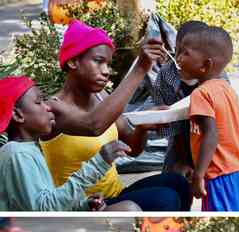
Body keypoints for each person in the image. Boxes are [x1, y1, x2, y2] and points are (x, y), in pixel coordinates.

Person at [41, 20, 192, 211]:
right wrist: (140, 69)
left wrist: (142, 127)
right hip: (84, 204)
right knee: (165, 199)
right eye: (98, 61)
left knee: (178, 183)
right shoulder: (53, 109)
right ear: (72, 61)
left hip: (115, 194)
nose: (106, 71)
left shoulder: (101, 97)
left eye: (108, 64)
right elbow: (93, 125)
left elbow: (133, 149)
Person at [0, 76, 139, 211]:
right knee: (129, 209)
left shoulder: (29, 149)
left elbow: (46, 200)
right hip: (35, 230)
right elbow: (43, 210)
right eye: (39, 102)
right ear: (18, 115)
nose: (48, 106)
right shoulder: (17, 154)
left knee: (128, 208)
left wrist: (83, 205)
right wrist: (98, 163)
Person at [177, 26, 239, 211]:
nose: (178, 58)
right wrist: (237, 159)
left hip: (217, 177)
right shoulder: (227, 89)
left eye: (185, 53)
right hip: (238, 173)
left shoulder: (201, 93)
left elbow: (211, 134)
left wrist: (199, 176)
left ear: (205, 65)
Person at [152, 20, 208, 174]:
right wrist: (182, 161)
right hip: (180, 142)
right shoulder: (166, 74)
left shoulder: (216, 78)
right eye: (177, 51)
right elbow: (172, 127)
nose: (179, 58)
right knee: (174, 181)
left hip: (210, 140)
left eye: (187, 53)